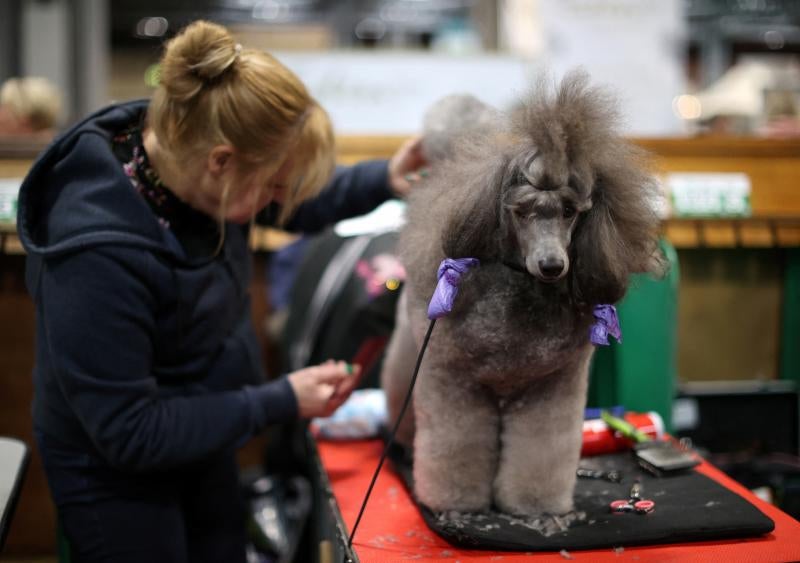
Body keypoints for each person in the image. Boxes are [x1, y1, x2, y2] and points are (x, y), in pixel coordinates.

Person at [16, 20, 424, 563]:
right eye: (272, 187)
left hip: (202, 429)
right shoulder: (93, 255)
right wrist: (281, 399)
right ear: (222, 163)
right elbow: (130, 431)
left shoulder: (193, 158)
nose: (277, 201)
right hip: (116, 474)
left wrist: (384, 178)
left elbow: (297, 201)